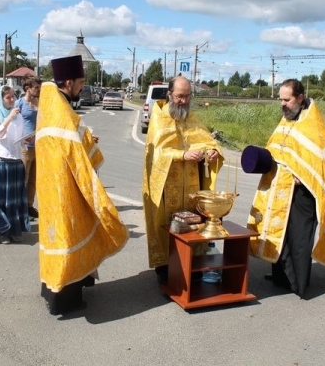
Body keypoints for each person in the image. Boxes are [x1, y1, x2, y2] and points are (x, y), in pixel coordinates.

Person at [246, 78, 325, 297]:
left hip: (304, 194)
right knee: (280, 234)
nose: (283, 104)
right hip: (282, 187)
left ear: (300, 98)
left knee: (299, 239)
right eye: (280, 99)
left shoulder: (314, 126)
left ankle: (299, 285)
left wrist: (303, 176)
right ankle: (281, 276)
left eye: (287, 100)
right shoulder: (286, 121)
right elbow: (277, 149)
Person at [36, 55, 129, 315]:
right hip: (66, 188)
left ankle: (52, 288)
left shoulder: (53, 107)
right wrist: (90, 144)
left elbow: (68, 141)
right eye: (80, 82)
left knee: (57, 235)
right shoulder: (62, 111)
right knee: (68, 235)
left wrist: (86, 136)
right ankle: (65, 300)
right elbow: (75, 148)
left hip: (51, 186)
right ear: (68, 82)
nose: (81, 87)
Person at [142, 76, 224, 284]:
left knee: (192, 225)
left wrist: (212, 152)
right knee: (166, 225)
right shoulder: (159, 118)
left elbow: (208, 141)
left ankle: (192, 269)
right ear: (169, 94)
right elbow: (156, 154)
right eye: (180, 96)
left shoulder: (192, 118)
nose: (184, 101)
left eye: (187, 96)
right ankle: (166, 270)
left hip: (191, 186)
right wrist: (181, 155)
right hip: (165, 187)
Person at [0, 85, 30, 244]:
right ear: (0, 99)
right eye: (8, 97)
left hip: (16, 161)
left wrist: (27, 139)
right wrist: (9, 117)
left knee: (15, 199)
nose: (12, 100)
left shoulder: (19, 117)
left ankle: (15, 229)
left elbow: (19, 138)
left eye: (13, 96)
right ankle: (2, 231)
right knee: (1, 199)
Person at [14, 76, 42, 220]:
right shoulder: (20, 103)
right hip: (25, 147)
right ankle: (20, 208)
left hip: (38, 147)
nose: (39, 90)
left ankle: (29, 206)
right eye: (36, 87)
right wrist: (22, 137)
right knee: (23, 179)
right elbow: (13, 123)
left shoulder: (40, 102)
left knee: (33, 179)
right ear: (28, 89)